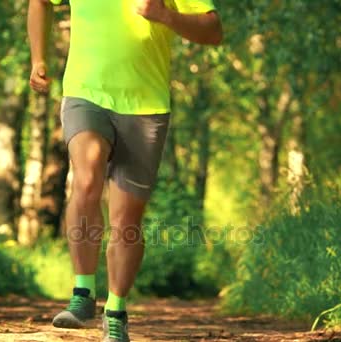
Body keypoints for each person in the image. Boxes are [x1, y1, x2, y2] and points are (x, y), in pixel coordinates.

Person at [27, 0, 222, 341]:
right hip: (85, 93)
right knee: (86, 180)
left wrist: (166, 16)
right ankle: (83, 293)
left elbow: (213, 30)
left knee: (126, 220)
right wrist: (38, 58)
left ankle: (115, 310)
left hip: (146, 106)